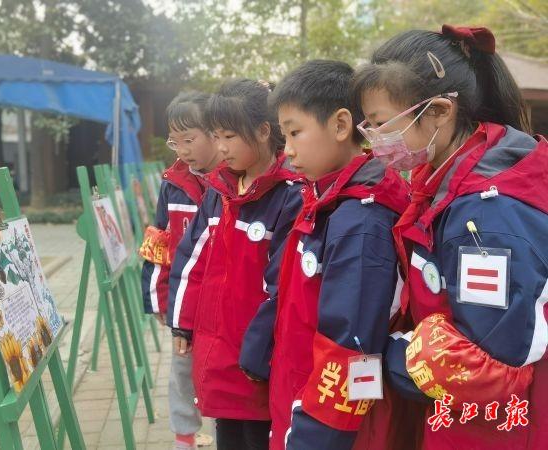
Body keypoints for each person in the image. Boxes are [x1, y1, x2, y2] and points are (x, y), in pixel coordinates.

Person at [351, 24, 548, 449]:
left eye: (384, 123)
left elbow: (490, 359)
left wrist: (388, 355)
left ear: (439, 111)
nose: (374, 138)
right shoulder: (451, 176)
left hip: (492, 427)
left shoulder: (487, 213)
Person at [241, 59, 410, 450]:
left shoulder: (361, 220)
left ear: (340, 125)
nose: (288, 150)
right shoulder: (319, 197)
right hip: (297, 391)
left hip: (328, 424)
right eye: (285, 136)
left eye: (295, 132)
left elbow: (351, 345)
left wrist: (311, 436)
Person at [167, 79, 303, 450]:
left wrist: (258, 352)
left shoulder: (289, 196)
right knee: (227, 433)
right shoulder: (220, 192)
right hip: (218, 350)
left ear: (262, 131)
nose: (221, 147)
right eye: (216, 136)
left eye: (229, 136)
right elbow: (190, 258)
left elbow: (283, 287)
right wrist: (182, 323)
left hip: (259, 358)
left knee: (260, 436)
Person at [140, 91, 221, 450]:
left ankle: (224, 435)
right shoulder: (172, 183)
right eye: (176, 141)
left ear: (216, 133)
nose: (183, 150)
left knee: (221, 375)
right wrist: (159, 298)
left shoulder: (233, 179)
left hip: (221, 304)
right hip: (183, 303)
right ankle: (184, 438)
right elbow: (157, 241)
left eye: (190, 140)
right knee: (180, 372)